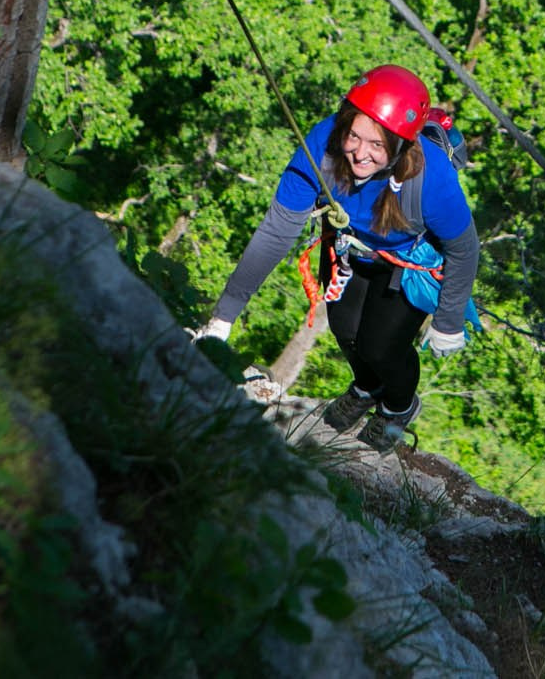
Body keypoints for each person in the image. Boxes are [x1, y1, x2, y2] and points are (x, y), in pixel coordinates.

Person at [202, 65, 479, 453]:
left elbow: (464, 249)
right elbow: (277, 230)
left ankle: (398, 408)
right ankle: (365, 389)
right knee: (346, 331)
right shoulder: (323, 146)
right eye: (354, 136)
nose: (360, 154)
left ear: (400, 146)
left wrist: (448, 321)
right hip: (348, 246)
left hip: (405, 262)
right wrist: (223, 318)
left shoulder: (431, 181)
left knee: (380, 346)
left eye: (377, 145)